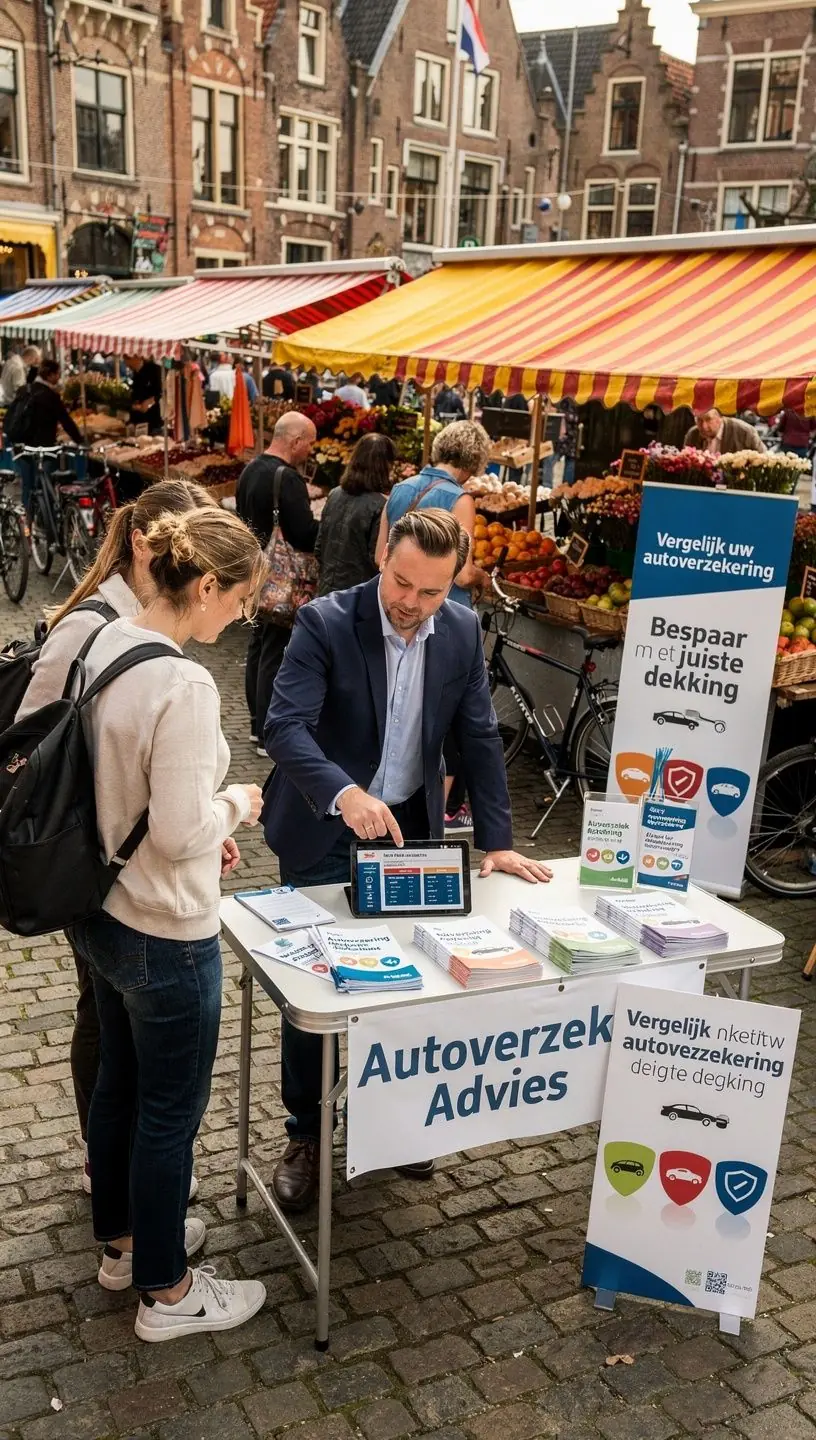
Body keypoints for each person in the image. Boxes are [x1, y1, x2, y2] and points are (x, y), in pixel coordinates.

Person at [262, 508, 553, 1211]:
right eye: (401, 583)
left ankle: (384, 1118)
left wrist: (500, 840)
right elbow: (284, 726)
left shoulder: (457, 630)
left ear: (454, 584)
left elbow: (479, 737)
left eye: (431, 592)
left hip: (409, 831)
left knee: (403, 983)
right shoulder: (326, 622)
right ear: (383, 555)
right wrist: (345, 792)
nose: (410, 604)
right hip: (325, 827)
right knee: (317, 990)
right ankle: (306, 1131)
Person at [67, 506, 267, 1343]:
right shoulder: (183, 683)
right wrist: (238, 803)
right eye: (243, 599)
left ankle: (123, 1244)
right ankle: (168, 1289)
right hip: (166, 930)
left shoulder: (107, 639)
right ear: (208, 585)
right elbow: (185, 829)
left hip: (105, 909)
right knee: (169, 1114)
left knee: (119, 1087)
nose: (246, 616)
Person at [17, 480, 216, 1191]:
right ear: (142, 541)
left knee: (116, 1024)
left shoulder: (148, 628)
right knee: (100, 1019)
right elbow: (31, 745)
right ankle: (112, 1170)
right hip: (87, 864)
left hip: (118, 862)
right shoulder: (94, 623)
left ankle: (125, 1177)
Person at [376, 420, 493, 831]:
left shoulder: (401, 488)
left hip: (393, 615)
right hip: (433, 626)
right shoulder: (460, 499)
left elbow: (380, 553)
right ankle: (435, 809)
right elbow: (459, 575)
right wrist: (481, 578)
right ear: (474, 461)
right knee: (434, 724)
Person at [237, 411, 318, 751]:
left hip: (254, 573)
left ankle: (257, 725)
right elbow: (302, 534)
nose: (310, 451)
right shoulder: (288, 479)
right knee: (274, 650)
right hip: (281, 582)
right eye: (309, 443)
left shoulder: (250, 469)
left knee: (258, 647)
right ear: (295, 440)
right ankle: (268, 733)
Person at [316, 433, 395, 597]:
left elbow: (319, 547)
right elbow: (377, 559)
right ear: (385, 465)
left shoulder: (335, 494)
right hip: (355, 596)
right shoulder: (380, 506)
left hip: (325, 590)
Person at [14, 359, 83, 519]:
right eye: (57, 374)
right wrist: (80, 441)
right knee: (47, 487)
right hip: (46, 449)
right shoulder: (50, 396)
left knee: (28, 487)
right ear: (50, 375)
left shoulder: (24, 390)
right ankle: (49, 524)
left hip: (24, 448)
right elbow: (66, 422)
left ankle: (28, 525)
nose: (59, 377)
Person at [684, 407, 766, 455]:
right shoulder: (692, 435)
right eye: (699, 420)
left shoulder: (745, 432)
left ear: (720, 417)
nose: (704, 426)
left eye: (708, 419)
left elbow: (763, 458)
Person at [127, 355, 163, 435]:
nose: (127, 364)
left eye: (128, 360)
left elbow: (162, 392)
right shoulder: (136, 374)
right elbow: (135, 396)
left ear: (136, 357)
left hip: (154, 422)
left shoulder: (155, 370)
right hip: (139, 422)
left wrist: (150, 402)